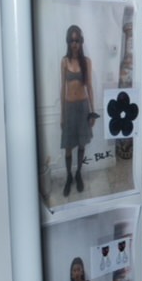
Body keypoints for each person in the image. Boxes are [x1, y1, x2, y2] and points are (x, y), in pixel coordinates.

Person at [61, 24, 95, 197]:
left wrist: (92, 112)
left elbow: (89, 87)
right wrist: (62, 115)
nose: (75, 44)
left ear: (81, 41)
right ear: (68, 42)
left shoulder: (86, 62)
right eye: (72, 40)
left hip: (83, 108)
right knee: (68, 146)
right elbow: (63, 89)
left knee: (81, 144)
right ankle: (68, 176)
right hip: (69, 107)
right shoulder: (64, 61)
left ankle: (78, 173)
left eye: (77, 40)